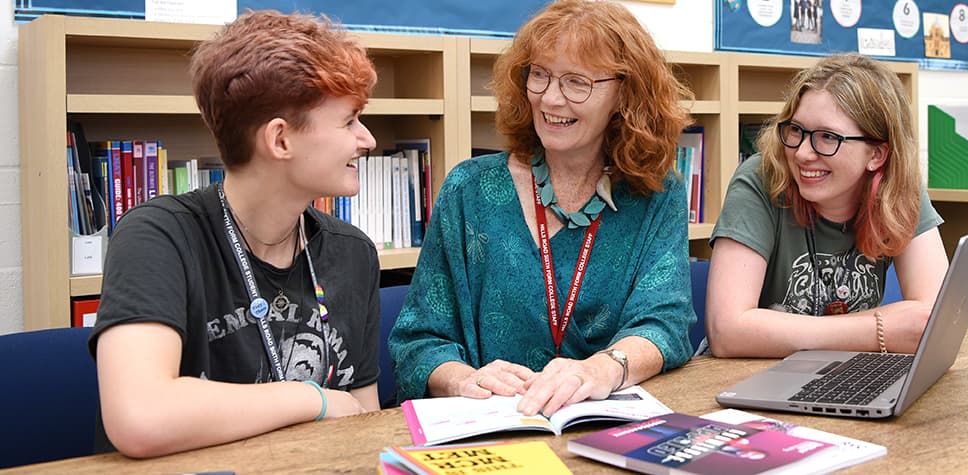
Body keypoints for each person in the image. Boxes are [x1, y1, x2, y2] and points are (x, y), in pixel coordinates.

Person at [89, 11, 382, 457]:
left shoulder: (351, 252)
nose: (367, 139)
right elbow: (139, 417)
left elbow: (362, 422)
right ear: (280, 140)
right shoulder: (157, 236)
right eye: (349, 121)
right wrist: (311, 398)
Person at [389, 0, 695, 417]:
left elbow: (664, 323)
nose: (550, 99)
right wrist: (462, 378)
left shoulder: (657, 193)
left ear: (625, 94)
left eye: (576, 82)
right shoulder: (470, 190)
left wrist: (603, 369)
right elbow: (418, 340)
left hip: (601, 423)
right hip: (490, 426)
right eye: (540, 75)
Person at [705, 53, 949, 358]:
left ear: (877, 155)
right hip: (755, 374)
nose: (803, 153)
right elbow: (727, 332)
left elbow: (935, 322)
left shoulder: (898, 186)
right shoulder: (760, 179)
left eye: (827, 137)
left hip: (849, 373)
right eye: (796, 130)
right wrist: (880, 328)